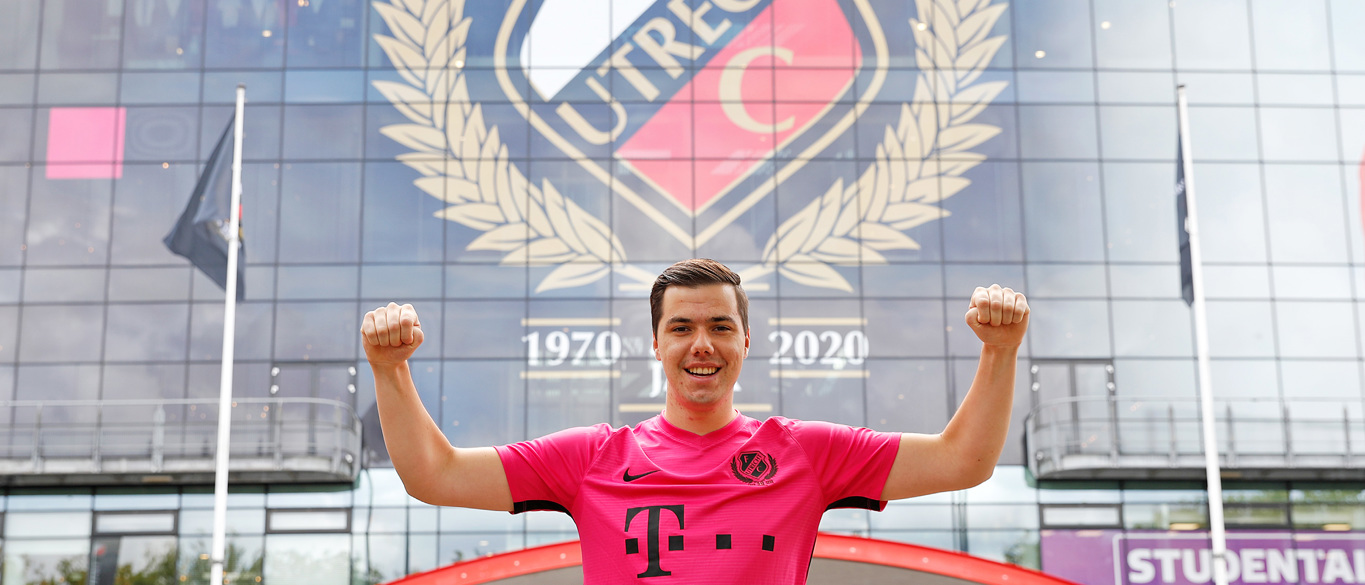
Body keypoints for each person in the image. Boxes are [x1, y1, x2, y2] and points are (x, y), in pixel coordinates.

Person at [360, 259, 1029, 583]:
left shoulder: (805, 451)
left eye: (720, 327)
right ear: (656, 344)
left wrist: (999, 351)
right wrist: (389, 370)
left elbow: (962, 460)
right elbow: (435, 475)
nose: (701, 344)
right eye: (680, 327)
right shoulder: (589, 458)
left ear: (746, 342)